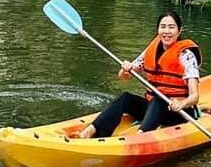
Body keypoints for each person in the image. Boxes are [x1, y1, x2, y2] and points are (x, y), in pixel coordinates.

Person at [68, 12, 201, 140]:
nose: (166, 31)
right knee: (125, 98)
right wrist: (126, 69)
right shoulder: (152, 50)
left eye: (171, 27)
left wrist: (182, 103)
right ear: (158, 30)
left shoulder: (187, 56)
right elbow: (123, 77)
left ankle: (140, 137)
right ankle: (89, 132)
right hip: (153, 109)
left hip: (179, 112)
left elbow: (194, 96)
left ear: (179, 30)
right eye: (163, 27)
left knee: (159, 99)